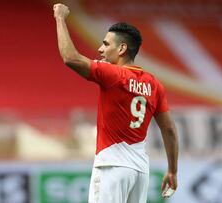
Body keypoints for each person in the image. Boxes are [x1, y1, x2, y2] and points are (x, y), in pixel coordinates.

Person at [53, 3, 179, 203]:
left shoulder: (113, 74)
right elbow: (170, 130)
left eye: (106, 44)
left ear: (122, 48)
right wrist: (172, 170)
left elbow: (70, 58)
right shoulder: (155, 85)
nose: (100, 48)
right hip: (139, 172)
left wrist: (60, 18)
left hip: (111, 166)